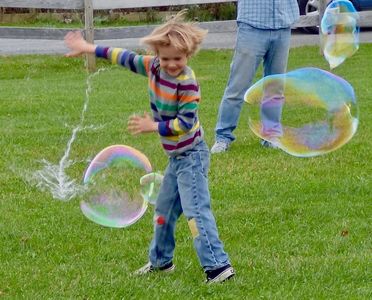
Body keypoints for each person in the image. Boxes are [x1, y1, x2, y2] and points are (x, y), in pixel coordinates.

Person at [64, 10, 234, 284]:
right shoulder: (153, 67)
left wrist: (152, 126)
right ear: (156, 55)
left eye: (177, 59)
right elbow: (123, 57)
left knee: (196, 211)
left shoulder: (187, 83)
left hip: (192, 155)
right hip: (176, 158)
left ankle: (218, 267)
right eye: (165, 59)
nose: (171, 64)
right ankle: (161, 262)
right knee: (163, 210)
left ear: (188, 54)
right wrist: (88, 48)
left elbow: (185, 122)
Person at [210, 0, 300, 154]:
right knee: (238, 85)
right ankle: (223, 137)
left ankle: (271, 136)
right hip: (252, 24)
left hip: (283, 24)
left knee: (275, 87)